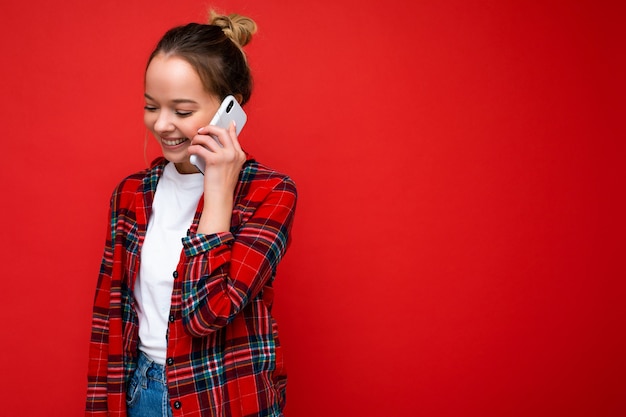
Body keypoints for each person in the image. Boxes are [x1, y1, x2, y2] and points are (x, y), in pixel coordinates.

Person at [86, 11, 297, 417]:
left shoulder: (269, 193)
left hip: (227, 397)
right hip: (143, 394)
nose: (162, 124)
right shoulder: (131, 195)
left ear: (229, 109)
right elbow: (109, 319)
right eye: (152, 106)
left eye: (182, 111)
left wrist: (218, 189)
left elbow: (208, 314)